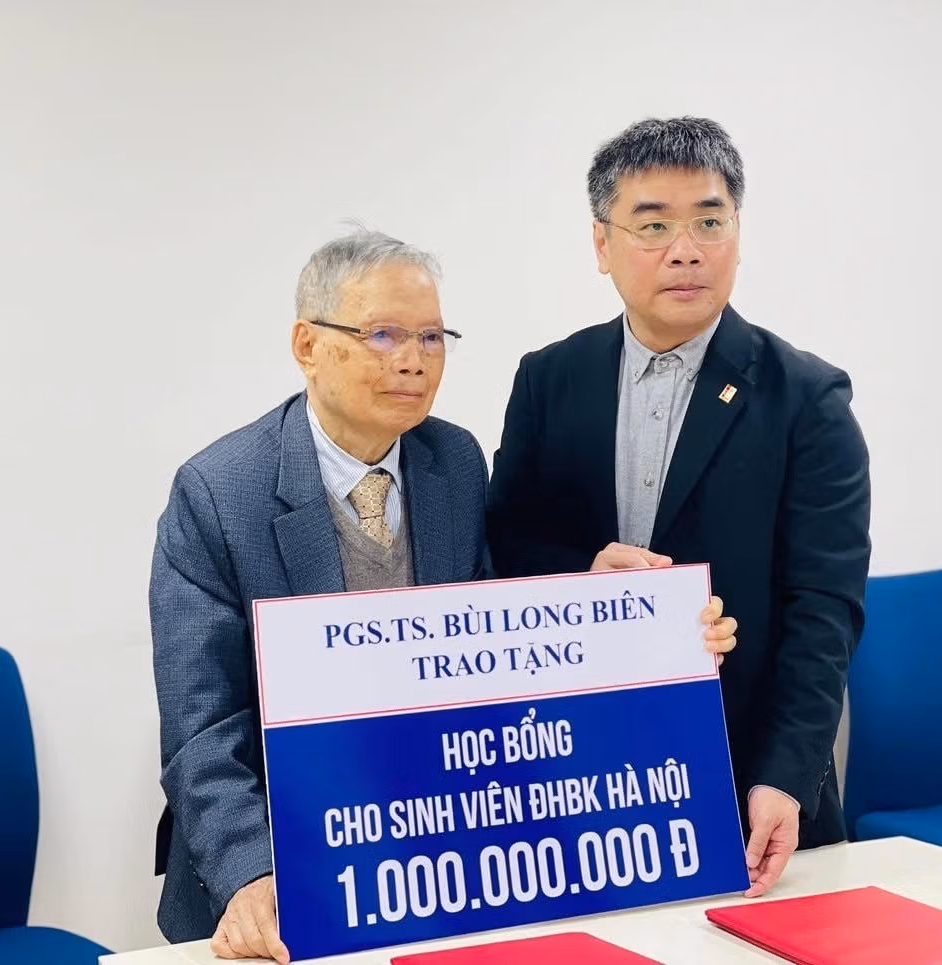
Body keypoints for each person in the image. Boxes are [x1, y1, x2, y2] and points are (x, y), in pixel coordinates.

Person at [149, 228, 740, 962]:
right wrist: (250, 871)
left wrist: (620, 625)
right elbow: (202, 726)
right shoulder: (217, 492)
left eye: (432, 337)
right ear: (307, 345)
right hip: (279, 859)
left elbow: (485, 650)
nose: (413, 359)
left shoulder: (453, 462)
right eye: (383, 334)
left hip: (435, 856)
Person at [485, 117, 872, 899]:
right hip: (575, 775)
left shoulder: (807, 398)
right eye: (654, 225)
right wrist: (586, 574)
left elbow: (824, 609)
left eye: (708, 221)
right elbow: (504, 546)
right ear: (602, 244)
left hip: (748, 781)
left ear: (738, 232)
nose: (685, 249)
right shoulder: (549, 379)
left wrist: (785, 777)